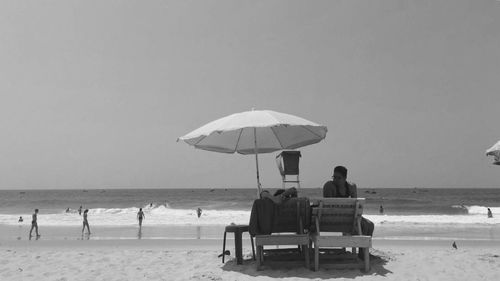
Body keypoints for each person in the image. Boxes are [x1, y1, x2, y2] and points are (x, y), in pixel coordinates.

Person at [323, 166, 374, 258]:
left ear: (345, 178)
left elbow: (356, 206)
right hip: (333, 220)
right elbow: (328, 207)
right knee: (363, 226)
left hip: (347, 218)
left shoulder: (350, 187)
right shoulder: (330, 186)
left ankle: (363, 253)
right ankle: (363, 254)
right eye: (334, 177)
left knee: (370, 225)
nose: (336, 180)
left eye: (339, 178)